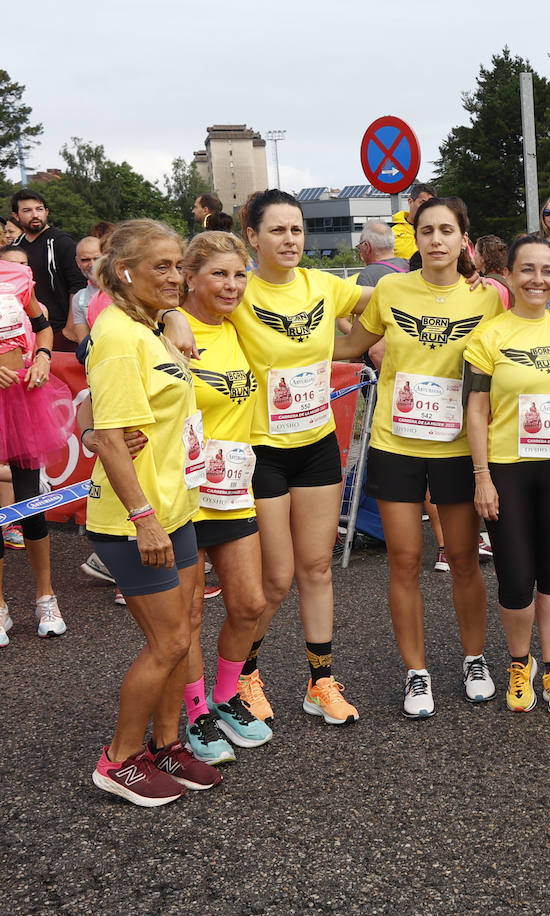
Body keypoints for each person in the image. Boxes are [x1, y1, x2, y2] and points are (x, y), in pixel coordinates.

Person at [337, 198, 502, 714]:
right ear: (416, 238)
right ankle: (417, 672)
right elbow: (352, 347)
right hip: (395, 443)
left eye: (446, 231)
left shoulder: (487, 300)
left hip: (457, 448)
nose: (435, 240)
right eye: (426, 230)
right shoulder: (390, 289)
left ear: (462, 240)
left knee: (462, 559)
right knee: (405, 562)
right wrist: (281, 340)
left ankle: (474, 658)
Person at [85, 219, 222, 805]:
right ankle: (118, 759)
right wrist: (143, 518)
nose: (175, 276)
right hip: (134, 517)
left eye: (178, 266)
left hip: (175, 507)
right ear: (126, 272)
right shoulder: (118, 335)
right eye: (161, 267)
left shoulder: (147, 326)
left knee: (187, 627)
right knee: (167, 642)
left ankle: (167, 743)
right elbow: (111, 439)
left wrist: (171, 315)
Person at [231, 189, 372, 727]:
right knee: (276, 577)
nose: (289, 240)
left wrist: (358, 342)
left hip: (316, 444)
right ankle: (244, 674)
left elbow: (384, 301)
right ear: (253, 237)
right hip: (261, 449)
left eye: (296, 230)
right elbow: (182, 307)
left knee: (316, 568)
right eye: (277, 231)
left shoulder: (323, 285)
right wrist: (174, 322)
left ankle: (320, 683)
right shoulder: (239, 291)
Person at [466, 236, 550, 713]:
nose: (539, 279)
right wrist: (482, 476)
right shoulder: (488, 336)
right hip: (507, 469)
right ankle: (520, 663)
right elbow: (476, 413)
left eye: (548, 270)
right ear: (509, 276)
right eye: (528, 270)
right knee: (516, 576)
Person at [176, 231, 273, 764]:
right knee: (188, 614)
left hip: (233, 488)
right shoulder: (164, 331)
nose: (232, 285)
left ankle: (225, 694)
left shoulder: (241, 325)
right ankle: (194, 713)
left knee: (250, 603)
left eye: (239, 274)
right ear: (190, 277)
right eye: (218, 274)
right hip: (184, 494)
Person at [0, 247, 72, 641]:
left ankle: (46, 596)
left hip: (23, 400)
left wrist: (43, 356)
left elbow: (42, 326)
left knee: (30, 502)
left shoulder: (16, 277)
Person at [9, 189, 86, 352]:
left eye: (39, 209)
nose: (35, 215)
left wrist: (70, 328)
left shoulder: (61, 242)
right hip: (26, 330)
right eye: (27, 210)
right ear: (16, 216)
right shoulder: (15, 248)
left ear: (47, 212)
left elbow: (78, 284)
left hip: (59, 329)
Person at [64, 235, 103, 342]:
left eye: (97, 258)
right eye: (85, 260)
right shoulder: (79, 299)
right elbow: (84, 343)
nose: (92, 264)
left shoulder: (125, 289)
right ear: (78, 262)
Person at [353, 221, 409, 287]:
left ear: (367, 246)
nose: (360, 251)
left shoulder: (368, 276)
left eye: (360, 246)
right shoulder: (411, 266)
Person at [390, 183, 435, 264]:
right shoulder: (392, 233)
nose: (426, 207)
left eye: (430, 204)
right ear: (410, 202)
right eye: (422, 203)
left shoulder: (437, 232)